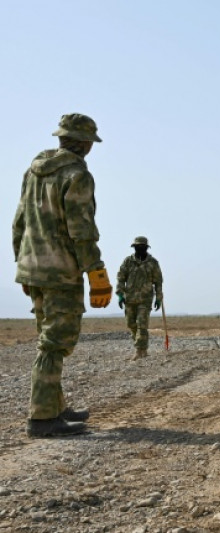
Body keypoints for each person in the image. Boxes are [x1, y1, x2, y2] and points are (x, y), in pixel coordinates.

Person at [12, 113, 112, 438]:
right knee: (55, 343)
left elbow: (19, 223)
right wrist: (96, 274)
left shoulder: (33, 171)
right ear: (85, 144)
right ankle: (42, 419)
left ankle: (55, 407)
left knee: (47, 338)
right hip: (61, 272)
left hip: (34, 268)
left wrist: (23, 265)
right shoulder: (76, 174)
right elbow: (81, 231)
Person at [115, 236, 164, 360]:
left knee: (141, 324)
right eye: (137, 247)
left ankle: (139, 350)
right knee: (131, 325)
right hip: (130, 299)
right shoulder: (127, 261)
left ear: (146, 248)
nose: (140, 249)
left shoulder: (153, 263)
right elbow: (121, 278)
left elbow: (158, 281)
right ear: (134, 248)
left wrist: (158, 297)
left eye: (142, 247)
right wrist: (120, 294)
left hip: (145, 299)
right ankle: (143, 348)